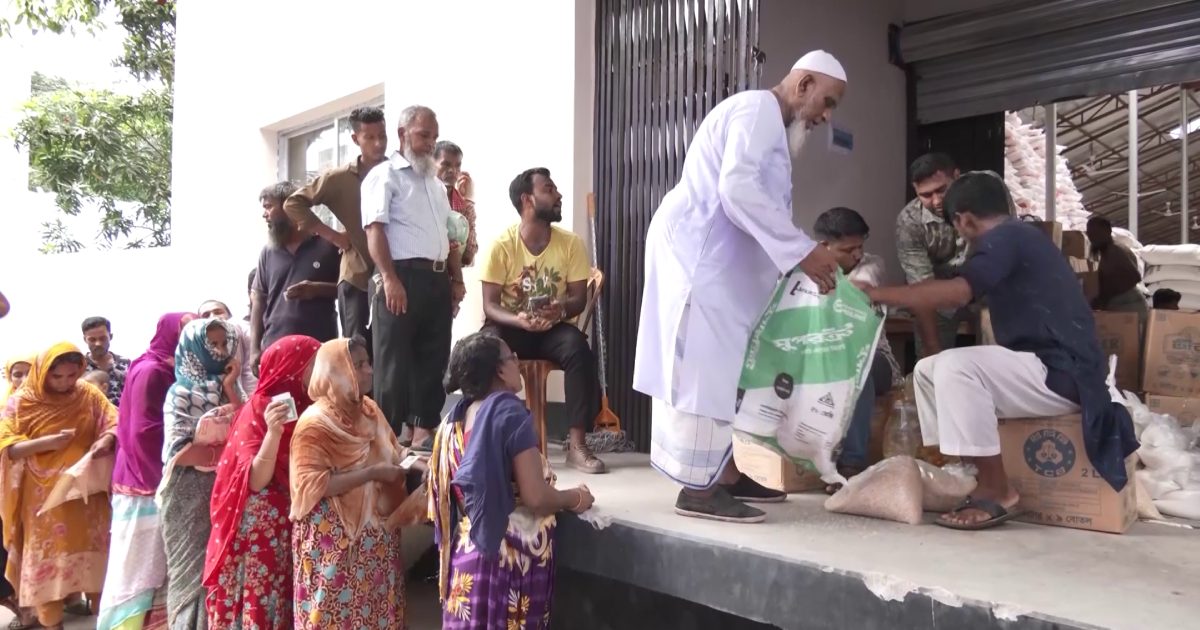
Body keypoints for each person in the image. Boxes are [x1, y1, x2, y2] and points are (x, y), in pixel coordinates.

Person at [632, 50, 846, 522]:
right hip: (700, 263)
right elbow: (738, 190)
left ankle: (723, 474)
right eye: (827, 101)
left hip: (718, 271)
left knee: (728, 371)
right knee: (705, 373)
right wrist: (802, 250)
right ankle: (699, 489)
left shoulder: (771, 123)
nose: (827, 116)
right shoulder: (755, 110)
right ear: (804, 83)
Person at [864, 172, 1138, 529]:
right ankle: (965, 471)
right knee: (930, 369)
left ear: (964, 220)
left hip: (1065, 375)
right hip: (1050, 369)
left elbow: (959, 292)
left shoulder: (1006, 239)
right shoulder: (1019, 238)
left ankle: (997, 490)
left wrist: (876, 294)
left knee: (956, 367)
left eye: (957, 225)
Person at [430, 332, 595, 629]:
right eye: (512, 357)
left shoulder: (454, 418)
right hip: (507, 560)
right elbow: (536, 497)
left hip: (467, 554)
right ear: (499, 370)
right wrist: (575, 497)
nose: (518, 362)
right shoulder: (509, 412)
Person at [480, 167, 606, 473]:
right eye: (549, 189)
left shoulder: (570, 243)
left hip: (552, 329)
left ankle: (577, 445)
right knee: (485, 347)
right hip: (514, 326)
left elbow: (578, 297)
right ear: (527, 199)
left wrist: (560, 310)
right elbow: (490, 305)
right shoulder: (502, 245)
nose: (558, 194)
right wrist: (519, 320)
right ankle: (490, 437)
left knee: (578, 348)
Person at [290, 337, 418, 630]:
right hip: (336, 543)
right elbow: (315, 485)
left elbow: (395, 452)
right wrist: (373, 474)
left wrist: (425, 463)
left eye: (368, 363)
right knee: (333, 613)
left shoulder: (369, 409)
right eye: (358, 365)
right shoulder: (315, 425)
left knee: (375, 611)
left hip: (376, 540)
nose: (369, 371)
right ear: (335, 371)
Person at [205, 335, 321, 629]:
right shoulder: (259, 409)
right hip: (258, 536)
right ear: (291, 368)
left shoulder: (308, 407)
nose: (319, 372)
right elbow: (255, 480)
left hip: (285, 527)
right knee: (260, 604)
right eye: (312, 366)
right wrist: (273, 432)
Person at [0, 342, 118, 630]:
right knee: (48, 558)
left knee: (96, 552)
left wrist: (106, 440)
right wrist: (46, 443)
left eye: (71, 375)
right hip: (43, 498)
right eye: (58, 377)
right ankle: (52, 623)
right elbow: (5, 444)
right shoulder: (22, 401)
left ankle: (102, 616)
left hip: (86, 491)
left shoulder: (87, 393)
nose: (66, 383)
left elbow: (112, 420)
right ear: (43, 374)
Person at [362, 105, 454, 446]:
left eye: (434, 136)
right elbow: (375, 231)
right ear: (402, 134)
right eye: (423, 135)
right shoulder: (384, 176)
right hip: (399, 276)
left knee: (433, 357)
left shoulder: (435, 184)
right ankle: (385, 441)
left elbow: (446, 235)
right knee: (393, 363)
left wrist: (454, 282)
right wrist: (389, 279)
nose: (431, 143)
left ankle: (421, 436)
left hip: (436, 278)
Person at [97, 312, 193, 630]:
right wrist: (163, 480)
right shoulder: (152, 371)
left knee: (156, 569)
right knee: (139, 572)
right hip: (144, 483)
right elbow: (142, 433)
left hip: (151, 477)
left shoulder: (169, 368)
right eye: (186, 331)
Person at [158, 318, 243, 629]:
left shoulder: (226, 384)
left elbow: (246, 427)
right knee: (190, 576)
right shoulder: (179, 393)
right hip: (186, 493)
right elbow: (179, 452)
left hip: (222, 490)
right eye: (213, 345)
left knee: (221, 571)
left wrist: (231, 388)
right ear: (195, 347)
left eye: (224, 344)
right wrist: (223, 455)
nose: (220, 352)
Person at [811, 207, 899, 492]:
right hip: (822, 359)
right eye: (848, 249)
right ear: (823, 247)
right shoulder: (805, 271)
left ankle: (852, 463)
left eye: (860, 246)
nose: (857, 255)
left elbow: (857, 288)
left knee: (856, 364)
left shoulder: (871, 265)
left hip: (877, 362)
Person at [285, 106, 389, 344]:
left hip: (393, 275)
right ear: (355, 139)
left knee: (389, 348)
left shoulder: (396, 174)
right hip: (357, 277)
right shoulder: (338, 178)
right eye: (369, 137)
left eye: (382, 136)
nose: (378, 144)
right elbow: (293, 203)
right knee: (356, 348)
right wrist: (333, 236)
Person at [250, 182, 341, 373]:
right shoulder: (268, 251)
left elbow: (347, 290)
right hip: (276, 349)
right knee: (280, 403)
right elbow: (258, 299)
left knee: (318, 402)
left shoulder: (328, 245)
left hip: (319, 351)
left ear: (289, 207)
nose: (264, 214)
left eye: (268, 206)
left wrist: (316, 289)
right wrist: (254, 349)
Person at [896, 153, 971, 356]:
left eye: (942, 190)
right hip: (941, 294)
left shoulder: (985, 193)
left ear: (957, 176)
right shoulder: (910, 223)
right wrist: (932, 350)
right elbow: (923, 290)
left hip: (988, 286)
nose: (936, 201)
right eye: (926, 195)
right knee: (931, 360)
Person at [435, 141, 479, 317]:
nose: (452, 171)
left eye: (457, 165)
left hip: (449, 283)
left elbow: (469, 254)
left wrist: (467, 203)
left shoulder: (464, 205)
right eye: (445, 164)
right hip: (422, 277)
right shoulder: (422, 199)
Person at [1087, 216, 1149, 318]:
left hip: (1130, 307)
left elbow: (1134, 276)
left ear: (1108, 231)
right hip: (1121, 306)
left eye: (1096, 233)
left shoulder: (1115, 251)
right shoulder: (1105, 252)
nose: (1092, 237)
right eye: (1090, 233)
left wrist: (1105, 296)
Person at [199, 299, 258, 395]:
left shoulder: (230, 326)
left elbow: (236, 372)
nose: (213, 317)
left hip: (252, 392)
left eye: (218, 312)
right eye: (206, 315)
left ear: (229, 315)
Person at [82, 316, 131, 406]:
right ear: (85, 339)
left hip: (121, 418)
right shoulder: (79, 366)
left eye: (102, 338)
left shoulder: (125, 364)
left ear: (110, 337)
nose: (98, 343)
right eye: (92, 339)